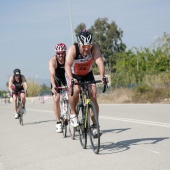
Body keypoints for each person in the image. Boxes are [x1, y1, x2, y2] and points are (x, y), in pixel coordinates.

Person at [65, 29, 108, 135]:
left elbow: (100, 62)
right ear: (79, 44)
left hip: (87, 74)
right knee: (75, 90)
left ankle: (95, 125)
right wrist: (71, 78)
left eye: (88, 46)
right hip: (74, 75)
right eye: (84, 47)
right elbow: (67, 65)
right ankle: (73, 113)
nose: (86, 49)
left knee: (93, 94)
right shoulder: (73, 49)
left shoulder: (94, 48)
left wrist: (102, 76)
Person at [49, 43, 67, 132]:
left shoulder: (68, 57)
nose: (60, 55)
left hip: (65, 78)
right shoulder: (53, 61)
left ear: (65, 52)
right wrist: (54, 86)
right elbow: (52, 74)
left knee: (72, 94)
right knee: (56, 99)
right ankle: (58, 122)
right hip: (56, 80)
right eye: (58, 53)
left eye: (62, 53)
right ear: (56, 53)